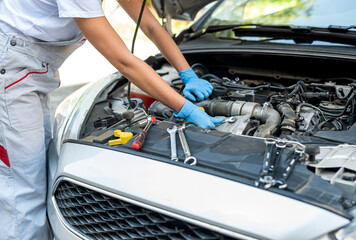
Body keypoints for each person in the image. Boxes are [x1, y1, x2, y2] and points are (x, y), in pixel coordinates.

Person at [0, 0, 224, 239]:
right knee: (24, 186)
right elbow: (124, 62)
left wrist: (186, 73)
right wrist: (186, 108)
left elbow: (150, 26)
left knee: (37, 169)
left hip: (32, 70)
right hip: (13, 69)